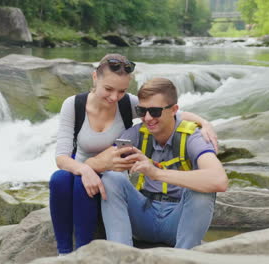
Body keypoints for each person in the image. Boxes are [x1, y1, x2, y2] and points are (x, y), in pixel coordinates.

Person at [49, 54, 218, 255]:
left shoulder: (128, 104)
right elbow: (61, 157)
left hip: (113, 176)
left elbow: (168, 113)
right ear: (95, 78)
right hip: (83, 170)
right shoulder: (74, 105)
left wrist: (204, 123)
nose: (114, 97)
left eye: (121, 91)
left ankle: (85, 250)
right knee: (61, 179)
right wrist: (85, 168)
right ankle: (66, 252)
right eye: (109, 89)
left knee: (95, 180)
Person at [99, 77, 228, 249]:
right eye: (142, 111)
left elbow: (219, 180)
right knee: (110, 178)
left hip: (178, 221)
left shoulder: (194, 137)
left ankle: (182, 259)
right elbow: (97, 161)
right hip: (144, 215)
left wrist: (156, 173)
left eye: (155, 112)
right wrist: (87, 168)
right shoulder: (137, 133)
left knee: (203, 191)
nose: (147, 118)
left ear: (174, 110)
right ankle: (120, 254)